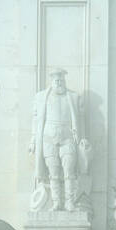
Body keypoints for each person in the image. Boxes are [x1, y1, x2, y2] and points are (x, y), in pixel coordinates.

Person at [30, 69, 81, 211]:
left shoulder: (73, 97)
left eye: (61, 80)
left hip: (68, 137)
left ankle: (70, 202)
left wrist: (82, 139)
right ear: (51, 81)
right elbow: (36, 120)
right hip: (48, 138)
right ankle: (57, 202)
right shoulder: (41, 97)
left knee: (69, 171)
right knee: (53, 173)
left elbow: (80, 122)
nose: (59, 82)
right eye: (56, 80)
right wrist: (33, 140)